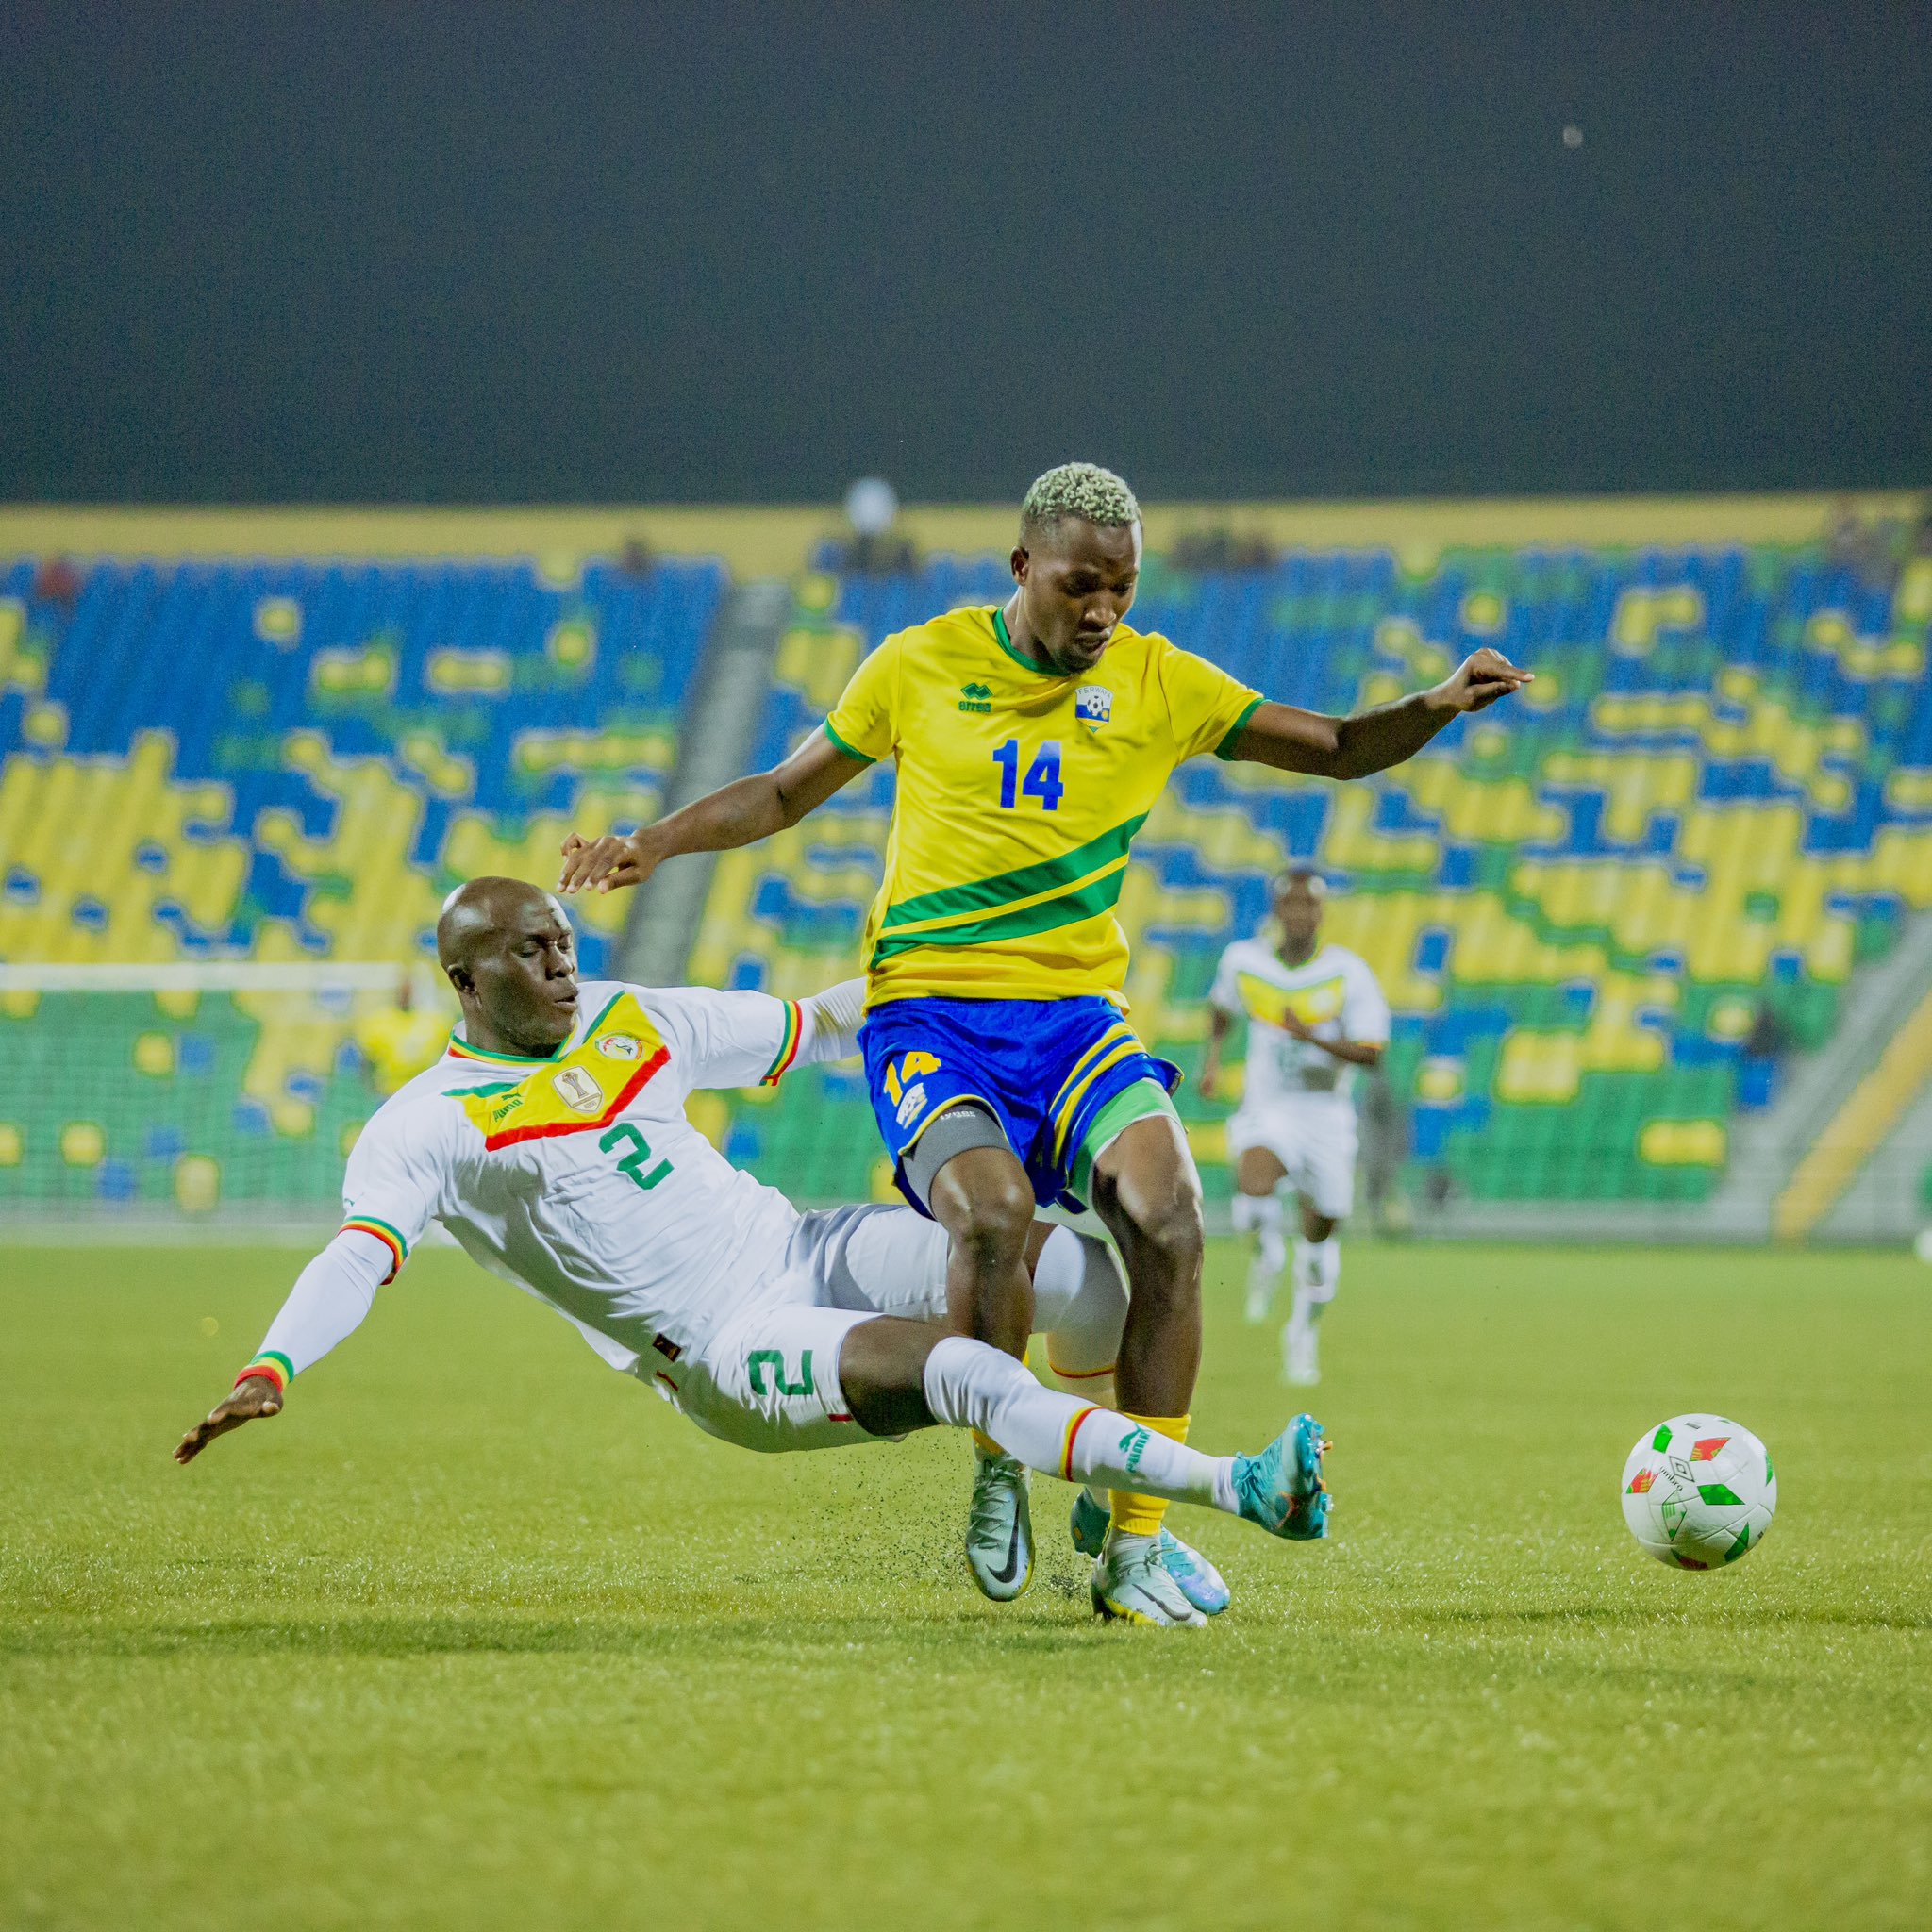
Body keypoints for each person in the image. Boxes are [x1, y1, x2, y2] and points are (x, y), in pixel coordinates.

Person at [558, 462, 1528, 1624]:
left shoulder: (1157, 679)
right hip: (929, 1016)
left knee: (1169, 1219)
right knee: (991, 1217)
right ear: (1023, 568)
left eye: (1120, 589)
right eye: (1080, 586)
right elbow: (780, 793)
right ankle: (997, 1469)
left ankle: (1134, 1542)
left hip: (1074, 1021)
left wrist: (1431, 703)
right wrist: (653, 842)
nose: (1101, 612)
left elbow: (1324, 742)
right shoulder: (918, 664)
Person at [175, 879, 1331, 1626]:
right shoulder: (427, 1121)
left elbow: (814, 1025)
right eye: (533, 953)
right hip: (727, 1346)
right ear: (467, 981)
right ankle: (1233, 1487)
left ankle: (1067, 1483)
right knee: (967, 1368)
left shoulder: (634, 1017)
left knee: (1072, 1270)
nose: (564, 966)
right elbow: (359, 1252)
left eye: (566, 942)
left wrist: (952, 974)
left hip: (800, 1243)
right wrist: (273, 1363)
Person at [1200, 870, 1391, 1383]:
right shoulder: (1245, 961)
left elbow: (1372, 1053)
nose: (1301, 914)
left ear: (1322, 914)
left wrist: (1313, 1038)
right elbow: (1221, 1008)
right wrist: (1213, 1061)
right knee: (1254, 1185)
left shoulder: (1347, 973)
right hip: (1270, 1106)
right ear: (1277, 910)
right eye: (1293, 904)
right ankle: (1265, 1253)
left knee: (1320, 1236)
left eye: (1311, 905)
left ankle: (1302, 1331)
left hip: (1326, 1116)